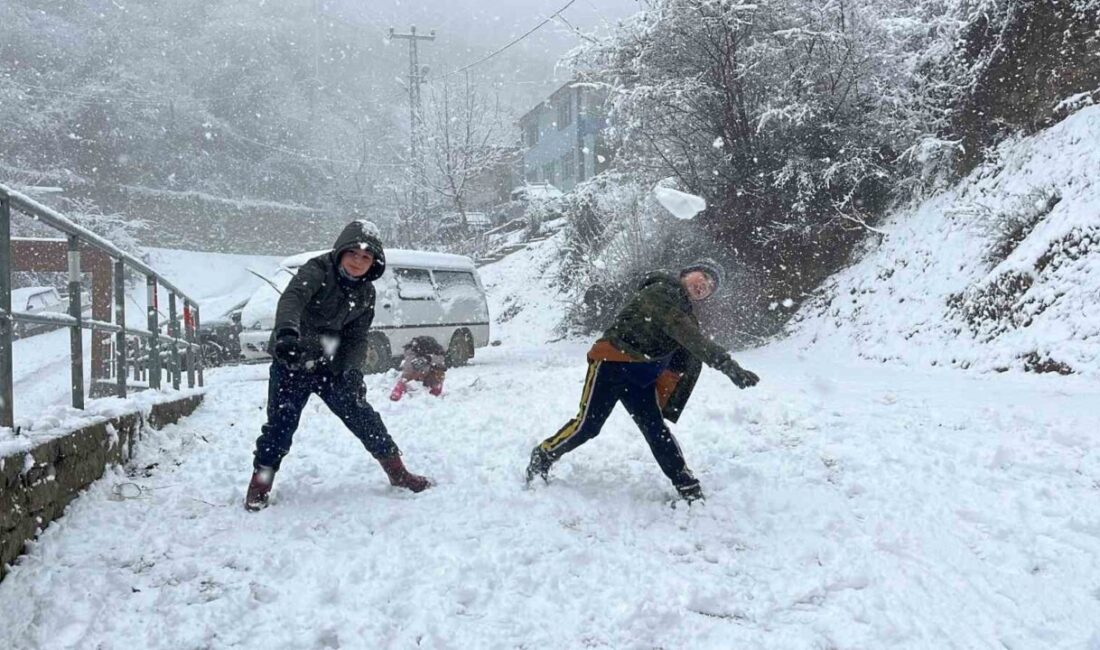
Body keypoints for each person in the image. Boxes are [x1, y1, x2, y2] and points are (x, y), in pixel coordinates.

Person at [524, 259, 759, 503]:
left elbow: (687, 352)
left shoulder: (684, 312)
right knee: (588, 426)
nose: (704, 286)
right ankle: (543, 455)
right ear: (687, 273)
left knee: (656, 430)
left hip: (640, 380)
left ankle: (685, 483)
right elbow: (689, 335)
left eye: (710, 287)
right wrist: (728, 365)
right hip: (611, 365)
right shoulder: (661, 291)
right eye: (703, 277)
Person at [245, 221, 432, 511]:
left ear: (374, 262)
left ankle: (397, 472)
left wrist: (353, 371)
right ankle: (260, 483)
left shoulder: (366, 293)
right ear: (342, 251)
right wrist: (286, 335)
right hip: (293, 361)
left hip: (330, 365)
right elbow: (292, 299)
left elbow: (357, 338)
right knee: (280, 428)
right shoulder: (317, 270)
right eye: (353, 254)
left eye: (366, 257)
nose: (358, 262)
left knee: (364, 417)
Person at [389, 336, 448, 401]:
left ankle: (435, 392)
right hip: (415, 373)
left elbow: (441, 359)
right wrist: (417, 367)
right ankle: (397, 391)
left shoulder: (437, 351)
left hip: (429, 374)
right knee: (406, 376)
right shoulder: (411, 352)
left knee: (440, 373)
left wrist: (428, 359)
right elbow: (408, 366)